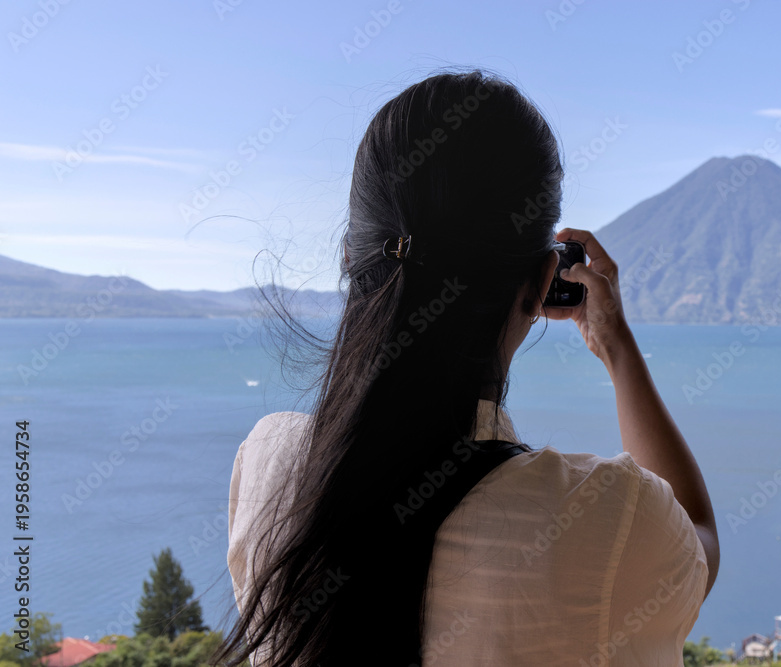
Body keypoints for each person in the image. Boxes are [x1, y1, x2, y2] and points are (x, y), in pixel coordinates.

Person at [215, 69, 719, 667]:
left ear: (352, 259)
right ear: (540, 284)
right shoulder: (611, 523)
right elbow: (697, 541)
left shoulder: (268, 465)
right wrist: (615, 346)